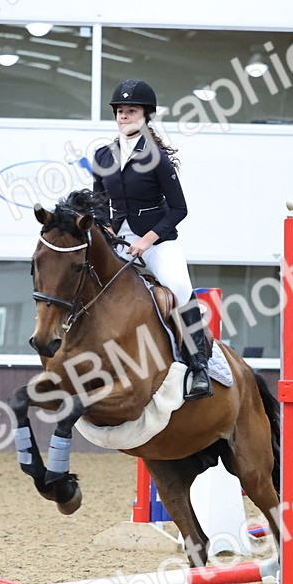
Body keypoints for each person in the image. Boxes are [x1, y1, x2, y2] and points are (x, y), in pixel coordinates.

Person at [91, 78, 211, 401]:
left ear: (145, 116)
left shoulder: (156, 157)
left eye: (131, 111)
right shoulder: (103, 157)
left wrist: (146, 240)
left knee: (181, 288)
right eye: (120, 111)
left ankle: (199, 367)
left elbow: (179, 208)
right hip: (119, 238)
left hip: (158, 240)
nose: (124, 116)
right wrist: (107, 230)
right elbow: (99, 203)